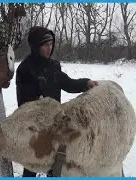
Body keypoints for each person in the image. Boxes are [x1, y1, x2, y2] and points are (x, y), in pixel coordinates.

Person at [15, 26, 98, 177]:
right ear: (35, 46)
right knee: (33, 164)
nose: (49, 48)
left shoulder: (53, 66)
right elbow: (24, 104)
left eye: (51, 44)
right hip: (35, 127)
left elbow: (68, 83)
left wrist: (86, 83)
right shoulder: (25, 69)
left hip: (55, 124)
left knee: (56, 163)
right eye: (45, 45)